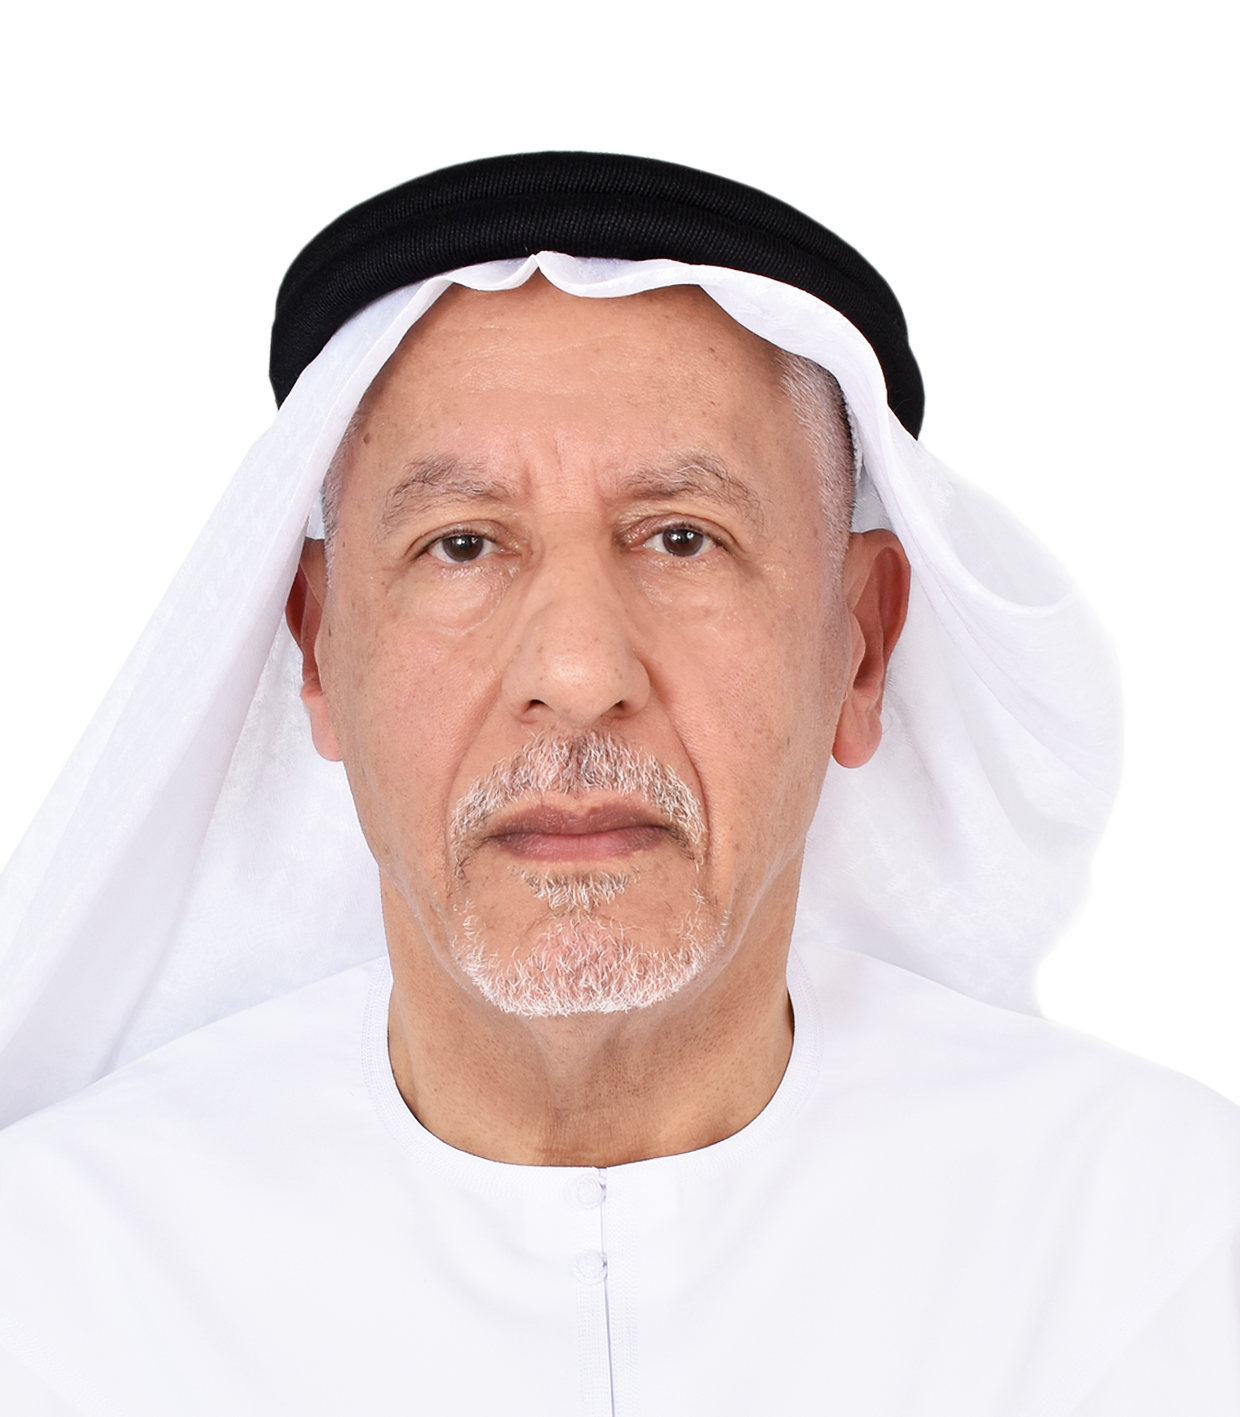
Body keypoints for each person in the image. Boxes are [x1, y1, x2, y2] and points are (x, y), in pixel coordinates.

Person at [0, 151, 1236, 1414]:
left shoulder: (1166, 1263)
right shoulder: (53, 1304)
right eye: (462, 544)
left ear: (859, 647)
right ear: (318, 649)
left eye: (681, 538)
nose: (579, 674)